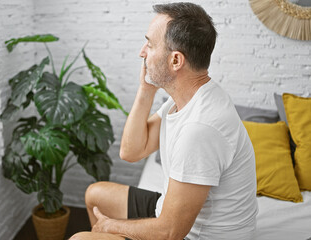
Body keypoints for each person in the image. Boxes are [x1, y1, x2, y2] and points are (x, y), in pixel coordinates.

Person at [70, 2, 258, 240]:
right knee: (96, 195)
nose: (142, 52)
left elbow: (170, 232)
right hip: (170, 217)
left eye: (150, 44)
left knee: (79, 239)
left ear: (176, 60)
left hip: (195, 235)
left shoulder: (200, 129)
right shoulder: (187, 97)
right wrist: (145, 89)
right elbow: (131, 151)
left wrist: (111, 227)